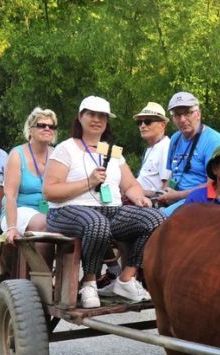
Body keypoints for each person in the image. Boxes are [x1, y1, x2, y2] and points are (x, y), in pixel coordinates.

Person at [43, 96, 164, 308]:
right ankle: (89, 282)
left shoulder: (112, 152)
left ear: (107, 121)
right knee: (97, 223)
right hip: (67, 211)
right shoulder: (66, 148)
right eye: (91, 114)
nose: (97, 119)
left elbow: (130, 185)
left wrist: (139, 197)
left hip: (110, 211)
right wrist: (88, 182)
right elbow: (50, 191)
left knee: (156, 219)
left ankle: (126, 278)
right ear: (80, 117)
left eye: (102, 116)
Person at [158, 91, 220, 217]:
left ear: (198, 114)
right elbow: (173, 174)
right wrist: (160, 195)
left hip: (200, 201)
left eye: (187, 113)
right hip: (175, 199)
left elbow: (215, 184)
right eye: (177, 115)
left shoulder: (213, 141)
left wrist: (177, 195)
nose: (182, 119)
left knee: (156, 220)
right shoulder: (175, 138)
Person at [3, 107, 57, 246]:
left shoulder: (57, 154)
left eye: (51, 126)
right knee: (46, 224)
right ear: (30, 130)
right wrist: (12, 227)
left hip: (51, 211)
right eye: (41, 125)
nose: (47, 128)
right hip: (20, 210)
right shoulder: (17, 154)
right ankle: (42, 268)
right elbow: (10, 196)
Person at [133, 102, 171, 198]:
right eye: (139, 122)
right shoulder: (152, 147)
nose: (142, 126)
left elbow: (165, 189)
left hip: (148, 205)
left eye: (148, 121)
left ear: (163, 125)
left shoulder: (166, 147)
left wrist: (139, 192)